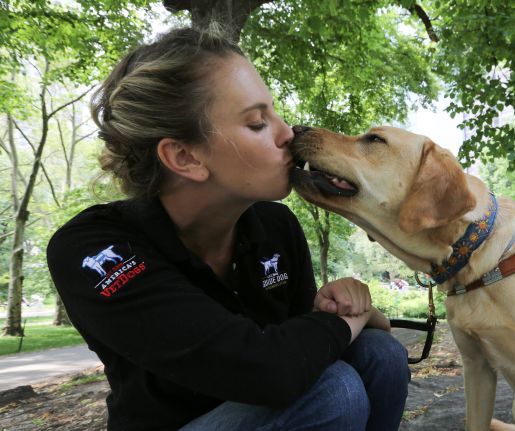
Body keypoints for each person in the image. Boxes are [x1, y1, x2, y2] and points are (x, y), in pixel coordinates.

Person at [46, 27, 409, 431]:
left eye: (274, 112)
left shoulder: (275, 225)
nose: (288, 133)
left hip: (266, 408)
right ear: (184, 156)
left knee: (380, 353)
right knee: (333, 390)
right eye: (257, 122)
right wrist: (345, 322)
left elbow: (302, 340)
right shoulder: (93, 249)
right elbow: (269, 370)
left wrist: (344, 306)